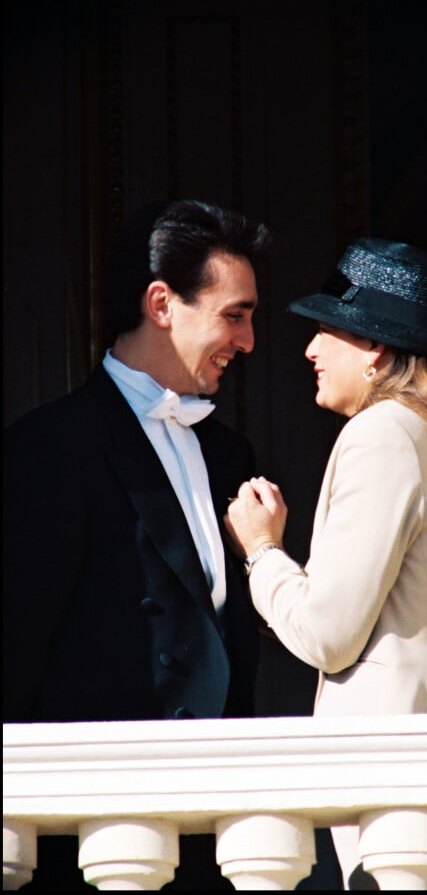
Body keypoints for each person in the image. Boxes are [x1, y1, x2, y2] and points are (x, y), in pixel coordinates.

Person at [224, 237, 427, 891]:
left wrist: (262, 551)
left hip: (400, 789)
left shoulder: (384, 433)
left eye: (327, 329)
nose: (310, 350)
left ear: (376, 347)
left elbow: (329, 633)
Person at [3, 198, 271, 890]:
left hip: (213, 835)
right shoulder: (48, 449)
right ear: (161, 303)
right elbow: (18, 653)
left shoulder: (230, 454)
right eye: (234, 315)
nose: (247, 341)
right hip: (95, 838)